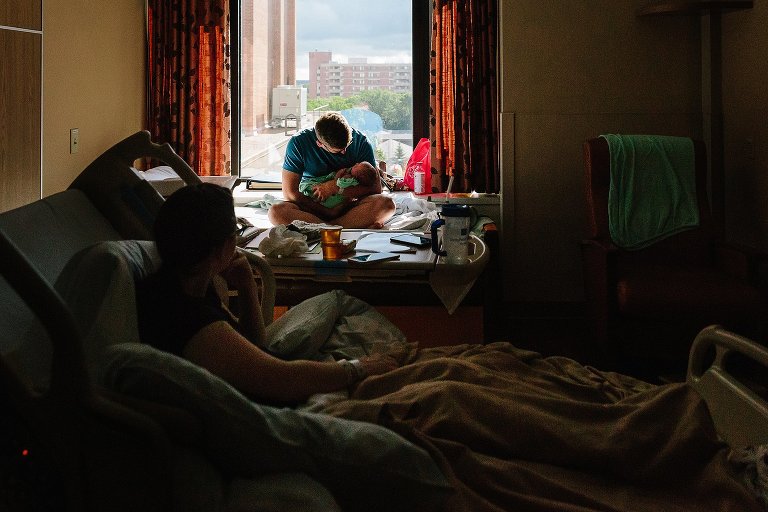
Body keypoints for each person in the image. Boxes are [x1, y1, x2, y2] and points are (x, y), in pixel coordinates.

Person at [136, 183, 398, 404]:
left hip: (268, 379)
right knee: (361, 364)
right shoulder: (187, 316)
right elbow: (281, 379)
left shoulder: (183, 285)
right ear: (221, 248)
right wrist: (357, 369)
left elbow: (254, 345)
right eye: (234, 234)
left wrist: (246, 286)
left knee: (340, 306)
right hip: (266, 405)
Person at [268, 112, 395, 229]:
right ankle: (338, 227)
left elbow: (375, 189)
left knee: (386, 204)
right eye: (338, 151)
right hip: (312, 206)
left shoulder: (361, 142)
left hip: (347, 206)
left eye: (348, 144)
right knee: (276, 213)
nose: (344, 152)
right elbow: (290, 193)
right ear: (320, 144)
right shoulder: (298, 143)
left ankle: (326, 228)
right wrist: (327, 212)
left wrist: (337, 188)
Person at [298, 161, 379, 209]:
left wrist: (338, 175)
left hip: (334, 200)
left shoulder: (350, 178)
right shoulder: (355, 180)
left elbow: (338, 183)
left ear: (358, 175)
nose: (356, 163)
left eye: (358, 165)